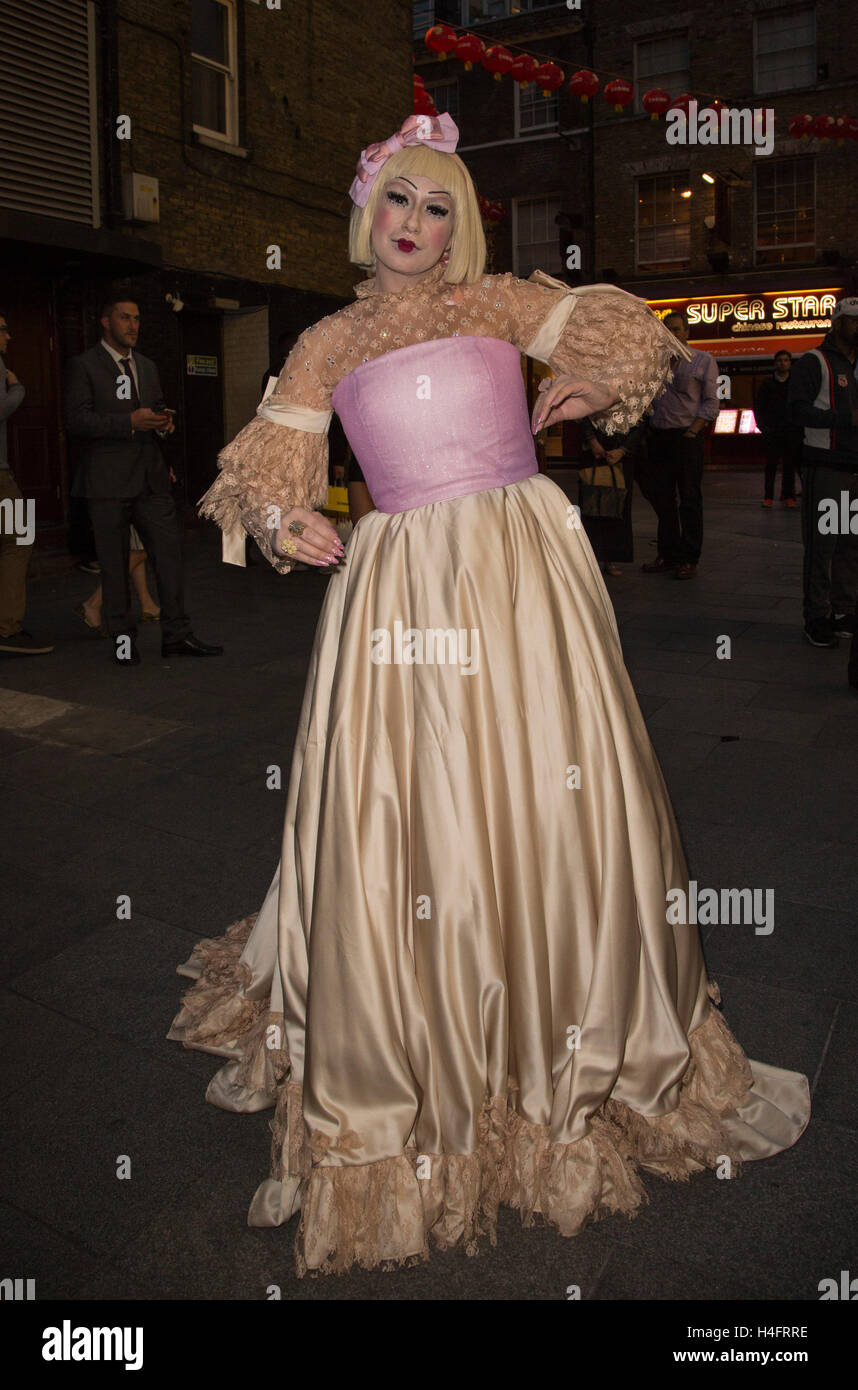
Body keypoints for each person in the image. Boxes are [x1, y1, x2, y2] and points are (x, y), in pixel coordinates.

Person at [168, 115, 809, 1278]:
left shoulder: (497, 303)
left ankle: (572, 1015)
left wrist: (578, 385)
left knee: (550, 785)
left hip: (523, 564)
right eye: (399, 202)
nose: (416, 225)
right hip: (401, 576)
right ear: (370, 215)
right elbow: (256, 473)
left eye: (439, 207)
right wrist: (286, 518)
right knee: (414, 803)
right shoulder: (326, 340)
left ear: (459, 225)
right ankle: (413, 1041)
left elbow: (632, 338)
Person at [65, 294, 222, 666]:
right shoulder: (84, 366)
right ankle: (123, 643)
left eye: (136, 318)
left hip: (151, 479)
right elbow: (77, 422)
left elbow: (155, 412)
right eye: (124, 318)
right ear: (106, 322)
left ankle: (177, 636)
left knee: (169, 558)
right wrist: (128, 422)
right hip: (106, 483)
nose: (133, 325)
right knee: (115, 565)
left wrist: (162, 424)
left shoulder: (148, 366)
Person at [788, 297, 858, 648]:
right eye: (853, 320)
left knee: (850, 542)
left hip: (852, 468)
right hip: (825, 464)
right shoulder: (815, 362)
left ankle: (845, 610)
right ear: (837, 323)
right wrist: (845, 420)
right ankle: (817, 615)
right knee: (822, 545)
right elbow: (797, 412)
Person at [0, 309, 53, 656]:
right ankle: (7, 629)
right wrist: (18, 388)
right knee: (19, 537)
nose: (8, 336)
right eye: (2, 329)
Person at [642, 311, 719, 580]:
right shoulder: (657, 363)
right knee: (663, 500)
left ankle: (689, 558)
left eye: (676, 329)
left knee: (689, 499)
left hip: (686, 437)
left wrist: (693, 431)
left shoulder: (703, 360)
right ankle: (668, 554)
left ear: (686, 332)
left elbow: (711, 402)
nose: (672, 334)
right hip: (660, 436)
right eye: (668, 330)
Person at [579, 417, 644, 575]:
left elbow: (640, 419)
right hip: (594, 449)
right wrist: (592, 441)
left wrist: (623, 450)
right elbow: (583, 414)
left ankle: (611, 558)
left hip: (620, 448)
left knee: (617, 504)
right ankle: (589, 557)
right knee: (591, 504)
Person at [754, 350, 799, 507]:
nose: (782, 363)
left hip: (790, 430)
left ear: (790, 363)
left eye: (786, 360)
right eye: (780, 360)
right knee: (771, 465)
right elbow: (758, 406)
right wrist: (762, 426)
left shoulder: (795, 383)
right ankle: (768, 497)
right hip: (772, 430)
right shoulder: (767, 383)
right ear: (775, 363)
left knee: (789, 465)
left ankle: (788, 496)